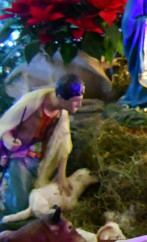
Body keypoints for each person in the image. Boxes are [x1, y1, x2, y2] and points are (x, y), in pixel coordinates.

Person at [0, 74, 84, 216]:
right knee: (20, 204)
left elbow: (63, 145)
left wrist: (62, 174)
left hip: (41, 159)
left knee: (40, 196)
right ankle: (5, 199)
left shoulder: (61, 114)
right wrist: (8, 140)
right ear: (61, 98)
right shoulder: (31, 103)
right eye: (76, 101)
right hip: (19, 155)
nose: (79, 105)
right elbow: (6, 125)